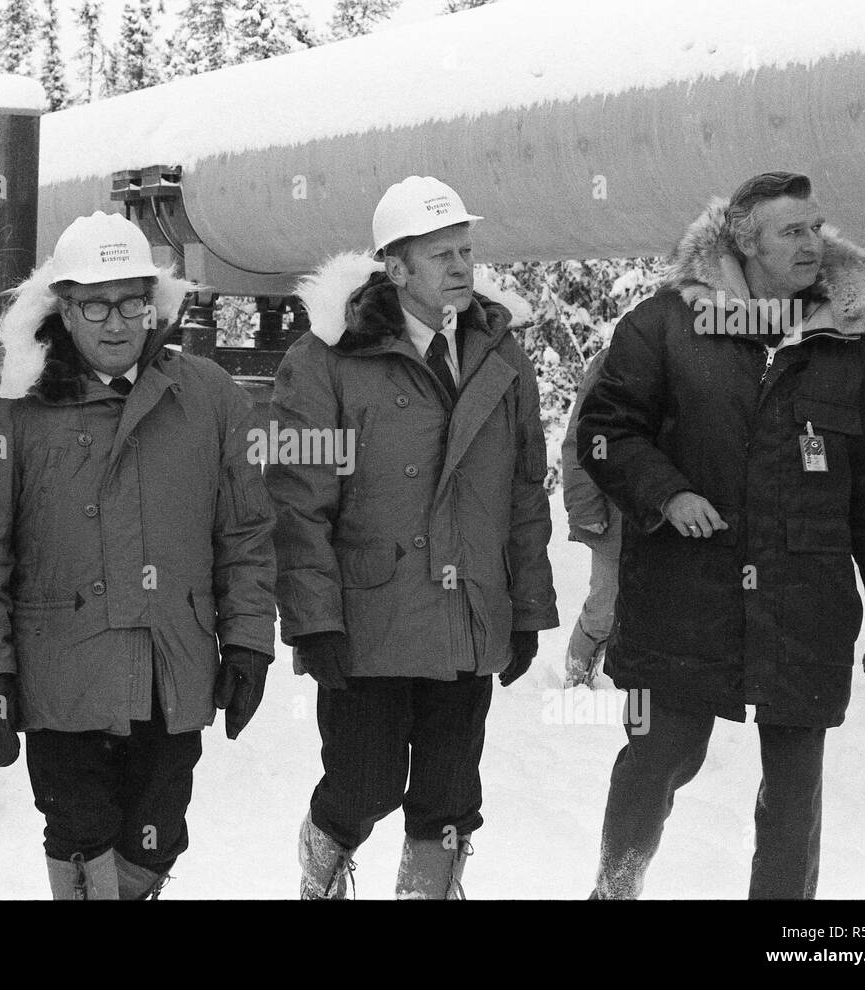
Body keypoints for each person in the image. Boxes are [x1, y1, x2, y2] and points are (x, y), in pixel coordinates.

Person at [577, 172, 865, 899]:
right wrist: (666, 493)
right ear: (743, 239)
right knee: (657, 759)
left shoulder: (849, 345)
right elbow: (607, 433)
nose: (812, 243)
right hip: (684, 591)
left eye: (816, 228)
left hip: (803, 599)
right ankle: (614, 891)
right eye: (792, 231)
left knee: (794, 793)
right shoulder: (664, 325)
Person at [0, 212, 277, 900]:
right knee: (80, 830)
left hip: (171, 668)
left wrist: (248, 640)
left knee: (157, 835)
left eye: (133, 303)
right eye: (96, 305)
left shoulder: (208, 396)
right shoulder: (8, 405)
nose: (118, 323)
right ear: (63, 308)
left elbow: (243, 534)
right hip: (62, 670)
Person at [266, 176, 559, 899]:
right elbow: (297, 504)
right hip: (370, 615)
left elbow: (524, 491)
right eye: (440, 256)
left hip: (466, 609)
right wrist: (312, 620)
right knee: (364, 784)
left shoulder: (500, 354)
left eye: (465, 251)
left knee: (450, 796)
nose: (461, 268)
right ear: (395, 269)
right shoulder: (325, 360)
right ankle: (323, 852)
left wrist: (527, 608)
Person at [560, 346, 620, 687]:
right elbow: (580, 437)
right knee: (605, 608)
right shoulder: (615, 358)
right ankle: (575, 679)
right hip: (616, 515)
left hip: (669, 518)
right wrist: (584, 505)